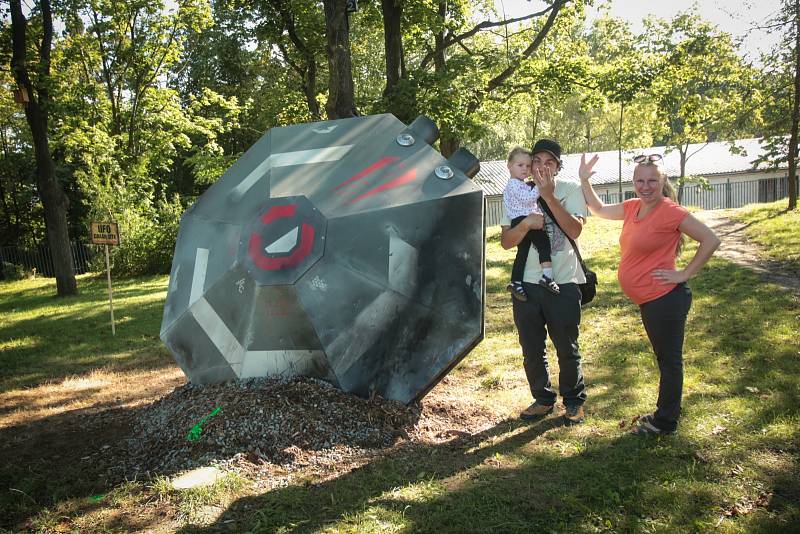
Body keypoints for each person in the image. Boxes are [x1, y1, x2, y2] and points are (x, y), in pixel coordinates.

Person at [578, 152, 720, 435]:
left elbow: (711, 239)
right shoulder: (633, 207)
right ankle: (664, 412)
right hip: (651, 300)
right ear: (633, 182)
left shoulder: (670, 211)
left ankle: (665, 421)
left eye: (652, 181)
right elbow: (599, 209)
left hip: (665, 299)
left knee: (669, 361)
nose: (646, 186)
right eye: (640, 181)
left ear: (662, 181)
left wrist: (684, 273)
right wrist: (584, 181)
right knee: (665, 359)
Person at [501, 139, 589, 425]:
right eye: (536, 161)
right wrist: (526, 224)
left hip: (563, 281)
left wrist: (549, 197)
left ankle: (574, 401)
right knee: (531, 348)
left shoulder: (571, 190)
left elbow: (575, 231)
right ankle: (542, 398)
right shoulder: (516, 191)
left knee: (567, 346)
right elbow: (506, 241)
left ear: (558, 167)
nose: (540, 167)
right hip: (526, 284)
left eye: (548, 162)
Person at [502, 147, 561, 302]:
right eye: (520, 165)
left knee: (522, 253)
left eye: (528, 166)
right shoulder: (514, 184)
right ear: (509, 165)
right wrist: (539, 186)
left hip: (519, 219)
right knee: (543, 244)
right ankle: (547, 277)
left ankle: (516, 282)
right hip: (523, 219)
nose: (525, 169)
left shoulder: (520, 183)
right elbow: (527, 199)